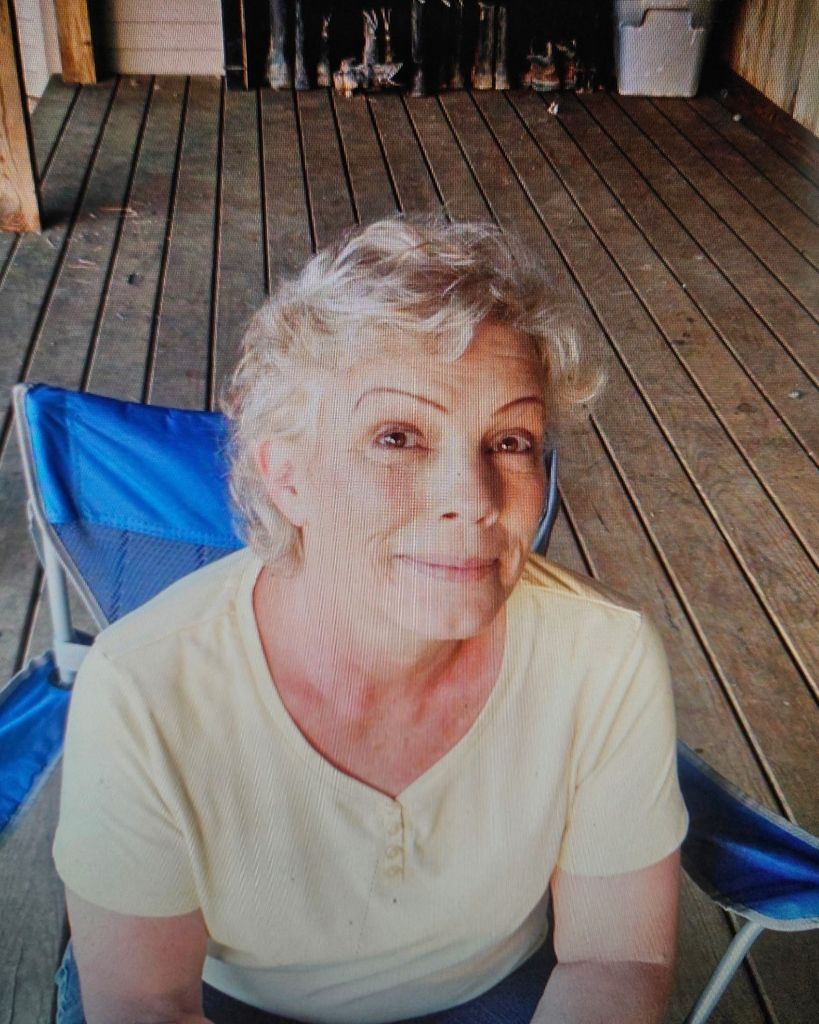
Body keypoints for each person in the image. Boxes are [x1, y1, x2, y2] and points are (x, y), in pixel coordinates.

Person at [52, 216, 688, 1024]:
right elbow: (146, 1003)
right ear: (286, 477)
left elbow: (614, 955)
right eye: (398, 437)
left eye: (510, 440)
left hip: (497, 997)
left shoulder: (601, 656)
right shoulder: (142, 688)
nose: (474, 498)